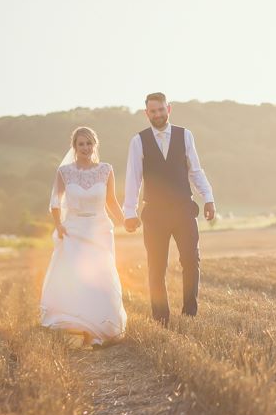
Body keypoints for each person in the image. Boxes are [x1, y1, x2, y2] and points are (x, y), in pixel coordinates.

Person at [123, 92, 215, 326]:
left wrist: (208, 197)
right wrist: (130, 212)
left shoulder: (185, 136)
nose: (158, 114)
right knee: (156, 266)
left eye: (161, 110)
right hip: (154, 213)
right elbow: (133, 179)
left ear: (169, 109)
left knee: (191, 260)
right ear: (147, 113)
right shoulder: (138, 141)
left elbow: (195, 170)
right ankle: (161, 317)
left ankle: (189, 312)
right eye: (153, 111)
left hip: (184, 208)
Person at [40, 127, 128, 347]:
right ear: (75, 147)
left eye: (89, 143)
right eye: (81, 144)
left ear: (94, 145)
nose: (86, 148)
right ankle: (80, 326)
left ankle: (103, 327)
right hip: (74, 230)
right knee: (77, 279)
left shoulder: (106, 170)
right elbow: (54, 202)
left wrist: (125, 220)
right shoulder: (65, 172)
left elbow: (111, 202)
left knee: (101, 277)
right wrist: (59, 225)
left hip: (100, 231)